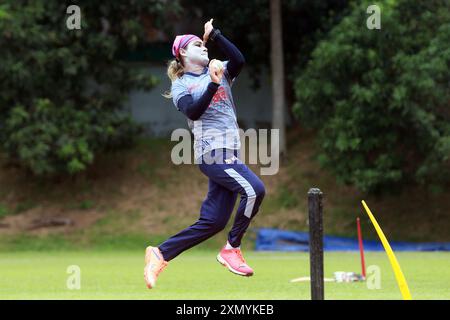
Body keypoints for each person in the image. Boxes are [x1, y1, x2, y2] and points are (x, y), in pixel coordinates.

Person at [144, 19, 266, 289]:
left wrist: (215, 35)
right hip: (212, 153)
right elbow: (193, 111)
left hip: (229, 152)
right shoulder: (181, 85)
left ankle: (160, 253)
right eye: (198, 45)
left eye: (204, 44)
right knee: (255, 189)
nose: (204, 48)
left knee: (213, 222)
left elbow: (239, 59)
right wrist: (211, 84)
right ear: (183, 53)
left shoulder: (220, 68)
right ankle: (231, 248)